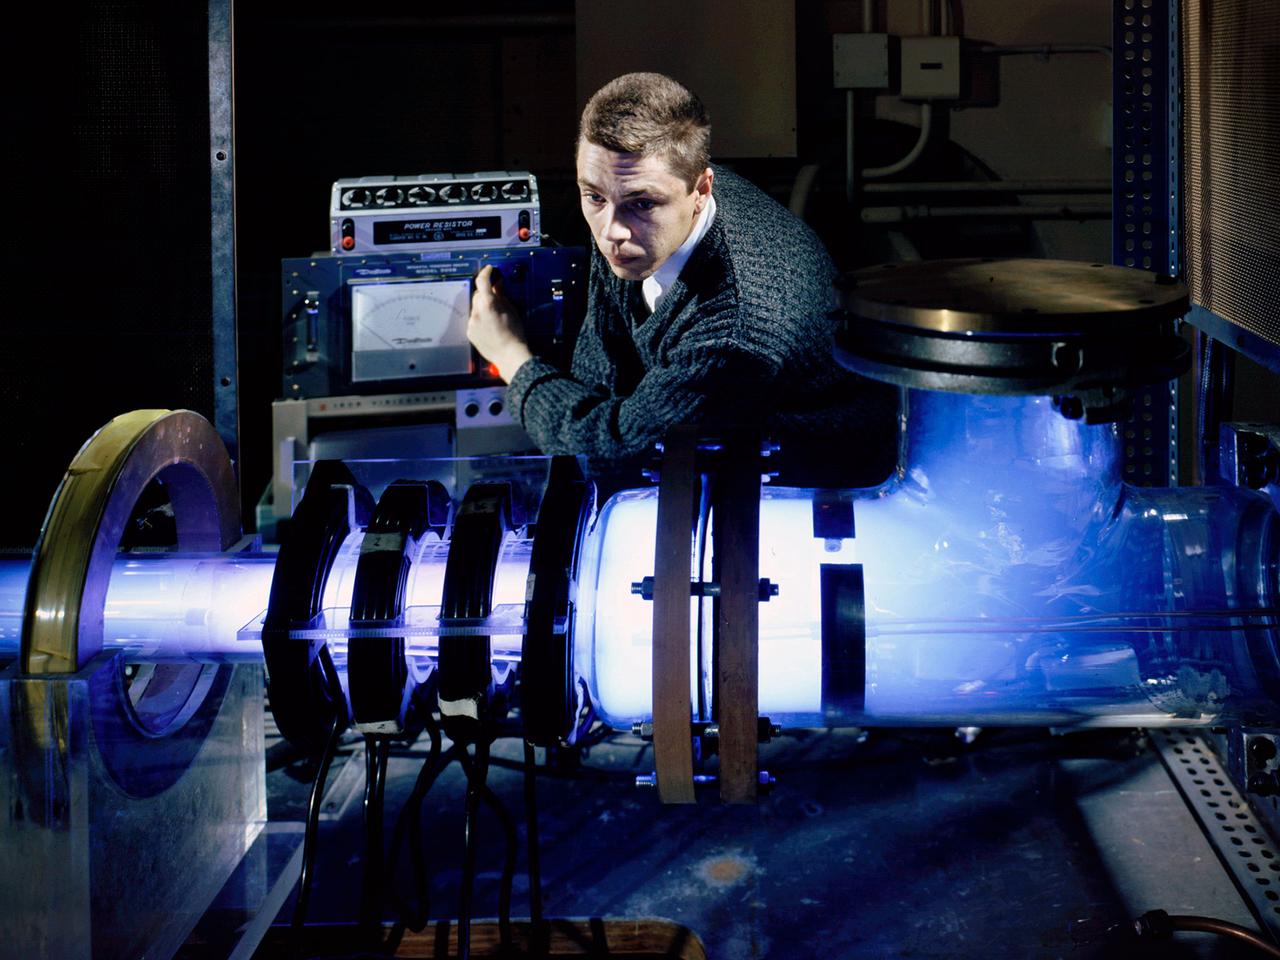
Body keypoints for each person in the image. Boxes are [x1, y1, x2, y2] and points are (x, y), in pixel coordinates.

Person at [467, 71, 897, 486]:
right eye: (593, 196)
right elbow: (601, 367)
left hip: (808, 489)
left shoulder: (738, 330)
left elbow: (616, 451)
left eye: (642, 204)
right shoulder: (631, 195)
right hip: (710, 455)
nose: (611, 230)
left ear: (702, 189)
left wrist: (509, 356)